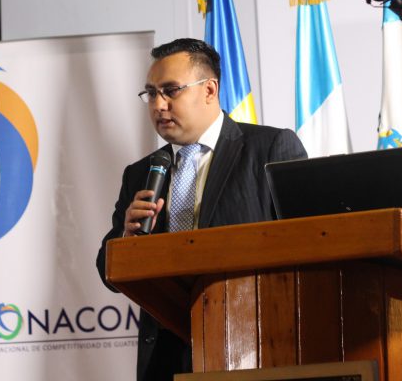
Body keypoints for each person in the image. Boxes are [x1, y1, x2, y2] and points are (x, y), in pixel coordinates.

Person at [96, 38, 307, 381]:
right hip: (167, 359)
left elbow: (306, 248)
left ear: (209, 90)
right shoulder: (141, 173)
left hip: (252, 347)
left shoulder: (269, 149)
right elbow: (107, 274)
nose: (158, 105)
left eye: (171, 91)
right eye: (151, 93)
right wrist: (125, 239)